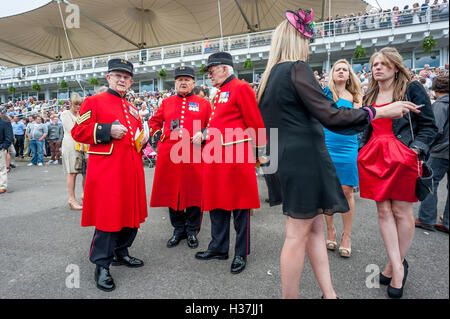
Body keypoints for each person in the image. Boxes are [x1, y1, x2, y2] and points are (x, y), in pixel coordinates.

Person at [257, 9, 420, 299]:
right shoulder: (297, 68)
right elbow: (332, 115)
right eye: (308, 40)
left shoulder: (268, 78)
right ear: (297, 40)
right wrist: (379, 111)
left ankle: (329, 294)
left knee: (315, 228)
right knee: (296, 235)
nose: (309, 47)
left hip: (282, 158)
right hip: (304, 159)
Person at [358, 47, 437, 298]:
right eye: (374, 64)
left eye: (383, 63)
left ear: (395, 66)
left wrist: (415, 150)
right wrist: (361, 149)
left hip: (402, 155)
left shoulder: (412, 88)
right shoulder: (370, 93)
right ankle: (397, 264)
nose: (377, 67)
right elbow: (364, 125)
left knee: (402, 212)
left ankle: (396, 267)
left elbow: (429, 127)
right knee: (383, 210)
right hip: (374, 157)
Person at [71, 59, 149, 292]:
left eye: (126, 77)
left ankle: (120, 253)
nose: (122, 79)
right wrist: (107, 130)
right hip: (107, 172)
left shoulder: (133, 108)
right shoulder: (93, 102)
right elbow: (78, 131)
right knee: (108, 219)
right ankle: (101, 265)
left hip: (131, 170)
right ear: (108, 78)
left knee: (130, 215)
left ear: (131, 81)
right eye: (117, 75)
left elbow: (134, 138)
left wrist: (142, 140)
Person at [195, 52, 266, 275]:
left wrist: (257, 153)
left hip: (236, 156)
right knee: (217, 203)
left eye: (212, 70)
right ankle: (218, 247)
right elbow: (222, 121)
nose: (209, 75)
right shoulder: (220, 92)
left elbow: (255, 121)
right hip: (216, 157)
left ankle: (240, 253)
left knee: (239, 206)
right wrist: (206, 133)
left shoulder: (241, 87)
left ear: (225, 68)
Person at [148, 66, 211, 249]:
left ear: (193, 82)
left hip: (195, 155)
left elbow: (212, 125)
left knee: (194, 193)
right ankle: (178, 229)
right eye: (179, 80)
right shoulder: (166, 103)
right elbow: (154, 122)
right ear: (175, 83)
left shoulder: (204, 103)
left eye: (187, 79)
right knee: (172, 193)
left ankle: (192, 231)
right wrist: (161, 137)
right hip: (171, 157)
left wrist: (203, 133)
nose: (183, 82)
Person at [322, 59, 363, 258]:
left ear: (349, 74)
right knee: (328, 190)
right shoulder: (325, 93)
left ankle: (346, 236)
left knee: (347, 191)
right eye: (337, 69)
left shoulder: (356, 95)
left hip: (348, 146)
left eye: (344, 69)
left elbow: (358, 120)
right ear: (332, 73)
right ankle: (330, 231)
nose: (341, 71)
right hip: (327, 144)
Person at [416, 76, 449, 233]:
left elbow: (435, 130)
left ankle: (426, 219)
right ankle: (448, 221)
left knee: (431, 183)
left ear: (435, 90)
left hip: (441, 151)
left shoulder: (440, 105)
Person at [61, 94, 85, 210]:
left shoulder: (81, 114)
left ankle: (85, 195)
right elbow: (73, 130)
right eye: (76, 104)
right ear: (71, 103)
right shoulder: (65, 114)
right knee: (73, 172)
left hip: (83, 145)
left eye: (80, 104)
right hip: (71, 145)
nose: (78, 107)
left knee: (85, 172)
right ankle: (72, 198)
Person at [0, 114, 13, 194]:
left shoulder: (5, 123)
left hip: (1, 149)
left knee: (1, 168)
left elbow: (9, 137)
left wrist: (4, 147)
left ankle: (2, 186)